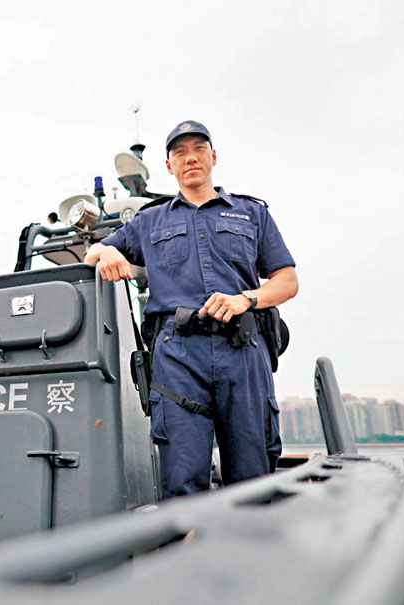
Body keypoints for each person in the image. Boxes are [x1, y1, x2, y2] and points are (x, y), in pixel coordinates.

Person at [84, 120, 299, 499]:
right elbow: (92, 253)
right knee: (181, 477)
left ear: (213, 157)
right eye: (180, 152)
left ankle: (251, 538)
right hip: (178, 357)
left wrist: (246, 299)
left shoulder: (251, 213)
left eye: (199, 149)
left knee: (254, 476)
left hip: (243, 350)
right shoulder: (150, 220)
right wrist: (108, 250)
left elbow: (287, 281)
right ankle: (186, 537)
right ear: (169, 166)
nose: (191, 158)